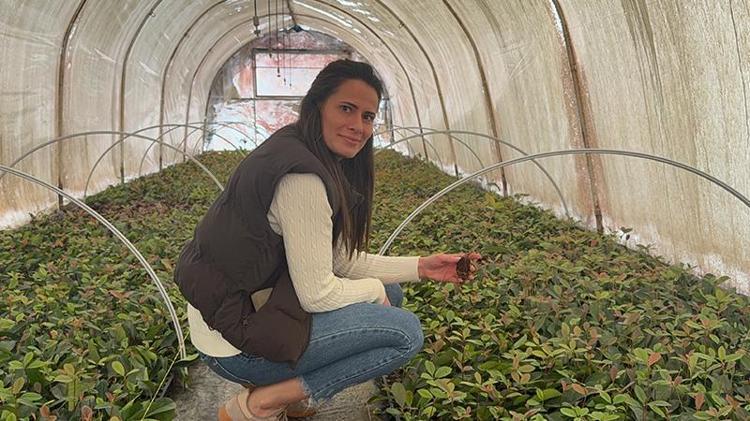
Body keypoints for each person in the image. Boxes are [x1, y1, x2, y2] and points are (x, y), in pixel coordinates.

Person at [174, 59, 480, 421]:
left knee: (391, 293)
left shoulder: (299, 148)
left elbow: (339, 261)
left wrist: (422, 267)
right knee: (405, 334)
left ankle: (280, 390)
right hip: (234, 345)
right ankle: (264, 402)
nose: (358, 126)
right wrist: (372, 291)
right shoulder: (303, 181)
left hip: (238, 315)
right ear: (317, 106)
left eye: (368, 116)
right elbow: (316, 294)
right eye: (346, 109)